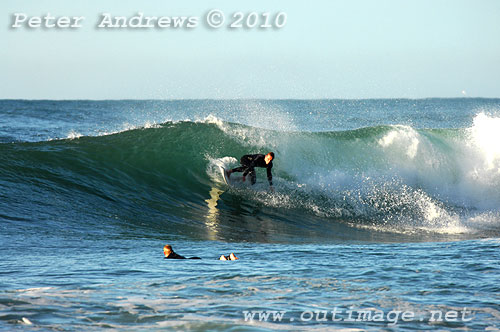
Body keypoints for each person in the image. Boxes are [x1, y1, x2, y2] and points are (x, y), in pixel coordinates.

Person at [163, 245, 238, 261]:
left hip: (192, 260)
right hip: (193, 258)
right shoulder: (174, 254)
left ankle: (223, 258)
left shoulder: (169, 258)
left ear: (164, 252)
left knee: (212, 261)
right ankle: (229, 257)